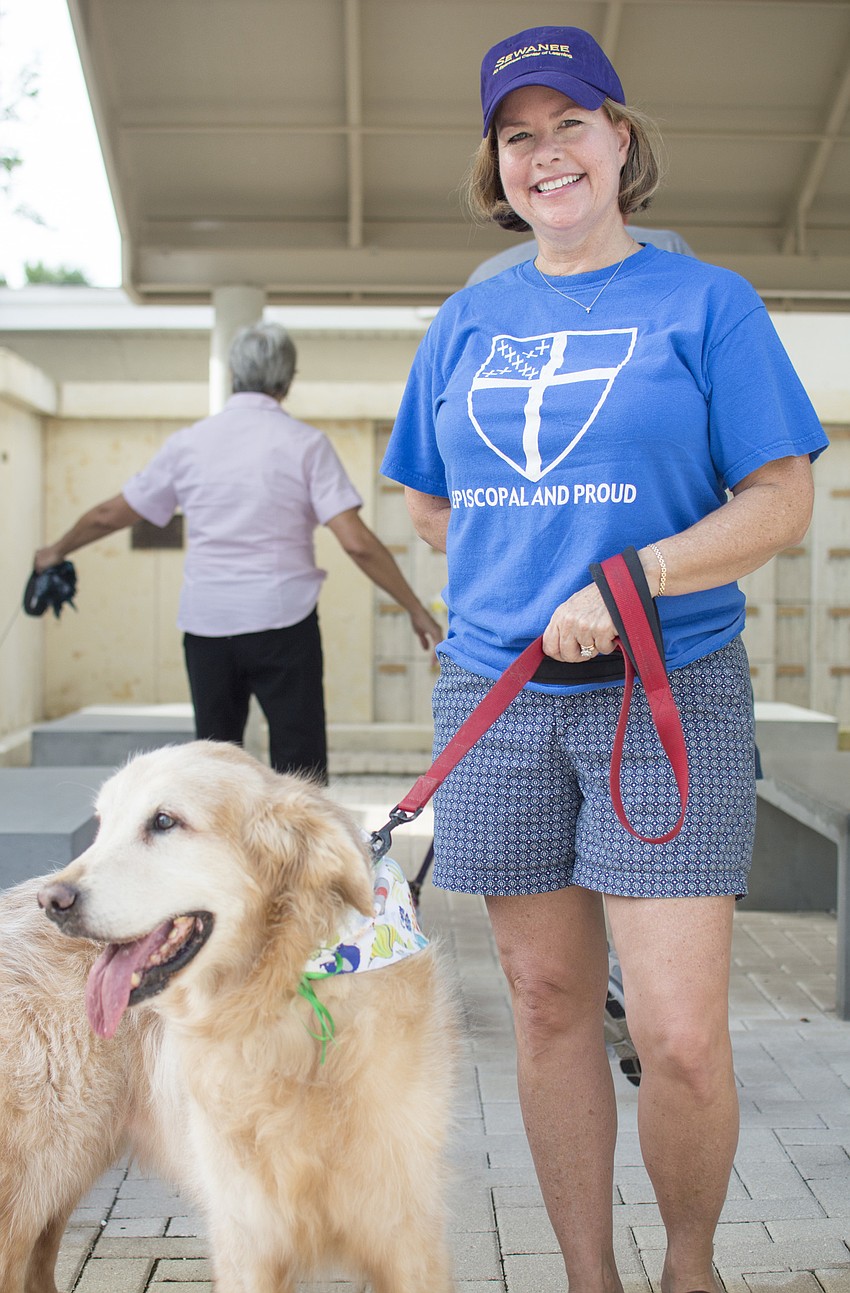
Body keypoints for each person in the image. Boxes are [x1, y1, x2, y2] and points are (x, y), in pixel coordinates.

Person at [381, 24, 827, 1293]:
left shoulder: (704, 302)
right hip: (501, 697)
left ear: (620, 139)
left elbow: (780, 496)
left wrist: (632, 577)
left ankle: (687, 1267)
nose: (546, 153)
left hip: (665, 687)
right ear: (496, 168)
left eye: (569, 122)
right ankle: (590, 1278)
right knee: (545, 1008)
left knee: (680, 1037)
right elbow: (423, 498)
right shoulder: (470, 319)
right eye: (517, 135)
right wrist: (518, 577)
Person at [35, 321, 442, 783]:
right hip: (284, 623)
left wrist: (55, 550)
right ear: (287, 380)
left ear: (232, 375)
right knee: (300, 767)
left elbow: (111, 514)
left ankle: (220, 854)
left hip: (208, 626)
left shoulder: (188, 444)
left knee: (212, 768)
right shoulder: (305, 445)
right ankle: (304, 857)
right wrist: (415, 608)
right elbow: (356, 543)